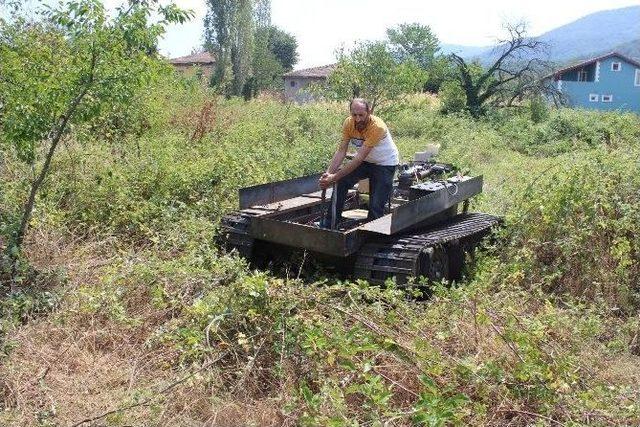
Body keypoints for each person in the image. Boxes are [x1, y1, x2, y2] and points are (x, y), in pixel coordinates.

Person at [319, 98, 399, 228]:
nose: (357, 119)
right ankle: (331, 222)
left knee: (375, 205)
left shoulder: (377, 127)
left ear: (369, 112)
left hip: (385, 163)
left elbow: (358, 158)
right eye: (354, 115)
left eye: (361, 115)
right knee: (341, 182)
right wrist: (328, 174)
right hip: (366, 161)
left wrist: (334, 177)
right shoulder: (348, 123)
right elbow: (341, 151)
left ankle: (373, 235)